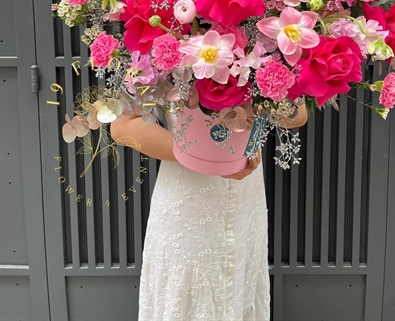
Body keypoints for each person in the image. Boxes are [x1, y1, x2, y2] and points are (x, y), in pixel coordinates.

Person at [111, 104, 308, 320]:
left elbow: (298, 114)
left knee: (239, 293)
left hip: (246, 201)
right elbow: (122, 126)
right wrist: (201, 154)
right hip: (188, 205)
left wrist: (259, 112)